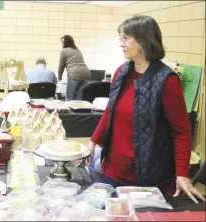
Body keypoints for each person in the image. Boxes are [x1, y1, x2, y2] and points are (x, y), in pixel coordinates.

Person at [81, 15, 205, 204]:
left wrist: (182, 172)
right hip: (113, 169)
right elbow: (110, 111)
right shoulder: (121, 72)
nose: (120, 44)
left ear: (142, 40)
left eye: (125, 38)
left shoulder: (167, 81)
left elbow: (181, 131)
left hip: (145, 177)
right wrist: (93, 141)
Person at [58, 35, 91, 101]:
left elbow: (61, 66)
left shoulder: (64, 51)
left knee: (70, 98)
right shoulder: (77, 49)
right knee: (79, 99)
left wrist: (59, 78)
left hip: (74, 74)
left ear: (65, 43)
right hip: (86, 74)